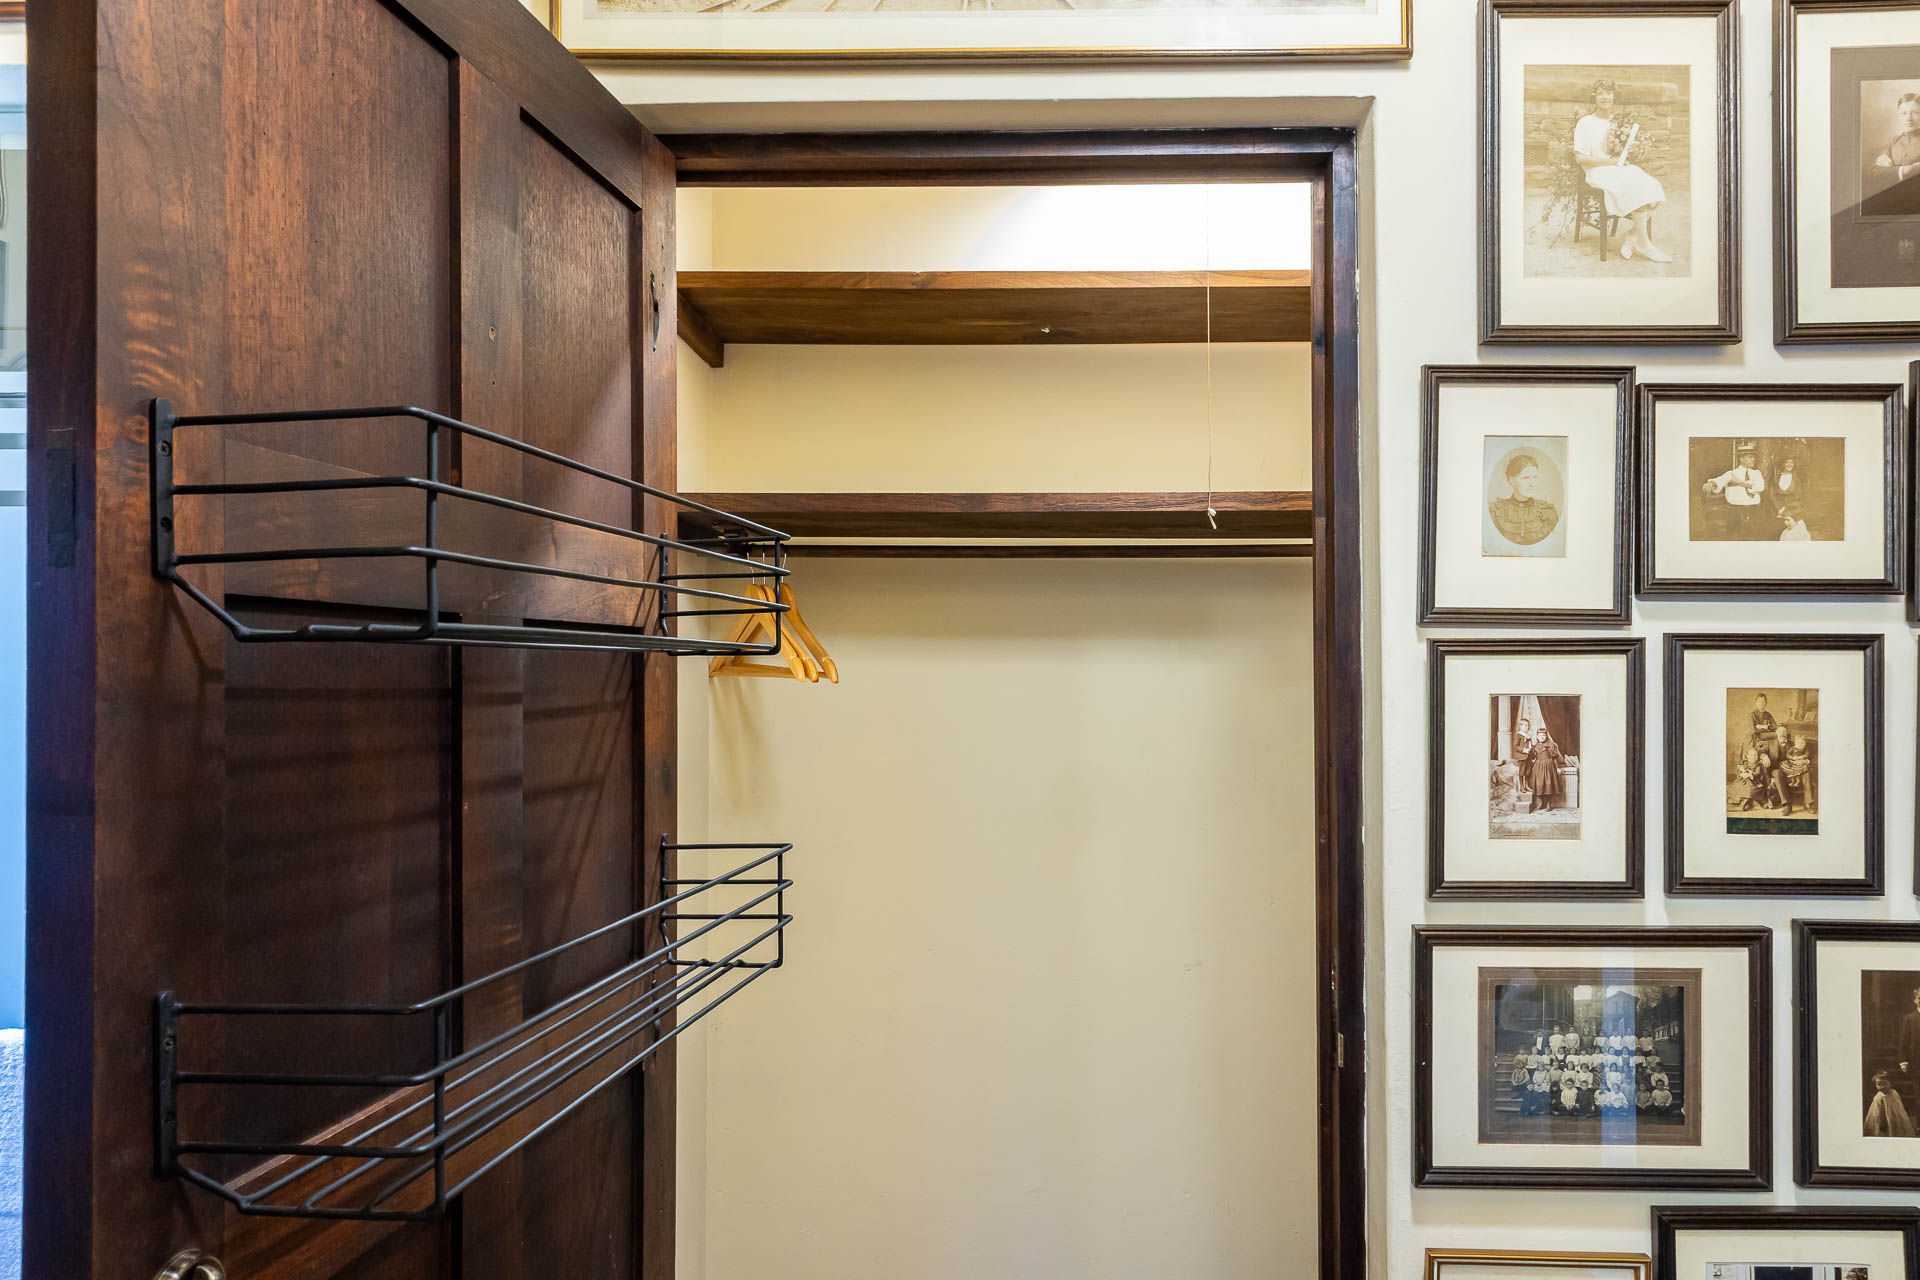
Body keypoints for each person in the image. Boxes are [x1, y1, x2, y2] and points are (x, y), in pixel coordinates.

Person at [1573, 79, 1673, 262]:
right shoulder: (1585, 122)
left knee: (1652, 185)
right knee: (1635, 188)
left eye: (1609, 93)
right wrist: (1609, 162)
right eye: (1601, 93)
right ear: (1594, 96)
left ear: (1614, 96)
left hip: (1617, 168)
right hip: (1597, 171)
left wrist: (1631, 151)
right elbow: (1580, 159)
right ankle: (1644, 245)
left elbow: (1621, 151)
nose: (1605, 97)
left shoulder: (1618, 122)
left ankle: (1632, 237)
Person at [1865, 92, 1920, 218]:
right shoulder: (1893, 141)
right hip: (1890, 205)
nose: (1909, 118)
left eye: (1915, 113)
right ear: (1899, 116)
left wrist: (1890, 170)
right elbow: (1874, 173)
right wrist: (1906, 170)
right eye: (1904, 113)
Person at [1488, 453, 1560, 547]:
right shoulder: (1496, 513)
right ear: (1512, 480)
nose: (1531, 484)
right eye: (1525, 478)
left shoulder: (1548, 513)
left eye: (1535, 477)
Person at [1702, 442, 1768, 540]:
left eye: (1753, 457)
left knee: (1753, 538)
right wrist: (1711, 484)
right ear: (1741, 458)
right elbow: (1719, 481)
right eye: (1750, 457)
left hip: (1754, 511)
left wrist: (1738, 483)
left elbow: (1760, 487)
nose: (1753, 459)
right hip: (1735, 512)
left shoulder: (1756, 473)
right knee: (1735, 538)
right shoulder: (1731, 474)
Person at [1520, 727, 1568, 813]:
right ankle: (1541, 804)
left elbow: (1554, 758)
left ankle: (1548, 804)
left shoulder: (1551, 745)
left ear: (1546, 736)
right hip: (1538, 767)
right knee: (1539, 785)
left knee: (1548, 785)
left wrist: (1557, 768)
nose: (1542, 737)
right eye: (1540, 735)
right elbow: (1532, 757)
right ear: (1537, 736)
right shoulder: (1535, 746)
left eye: (1543, 735)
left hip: (1549, 767)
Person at [1866, 1070, 1916, 1138]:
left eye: (1885, 1084)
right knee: (1888, 1132)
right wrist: (1881, 1123)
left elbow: (1900, 1107)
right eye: (1879, 1084)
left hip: (1896, 1117)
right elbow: (1877, 1112)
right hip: (1885, 1120)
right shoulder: (1879, 1098)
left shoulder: (1894, 1093)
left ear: (1891, 1083)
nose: (1882, 1087)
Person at [1779, 733, 1815, 815]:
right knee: (1790, 771)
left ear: (1805, 743)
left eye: (1802, 743)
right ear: (1795, 743)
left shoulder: (1806, 749)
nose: (1800, 744)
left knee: (1807, 773)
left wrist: (1803, 759)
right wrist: (1793, 758)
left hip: (1802, 764)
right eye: (1798, 743)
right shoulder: (1792, 748)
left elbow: (1808, 755)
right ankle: (1794, 782)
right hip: (1793, 764)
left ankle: (1808, 803)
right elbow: (1788, 754)